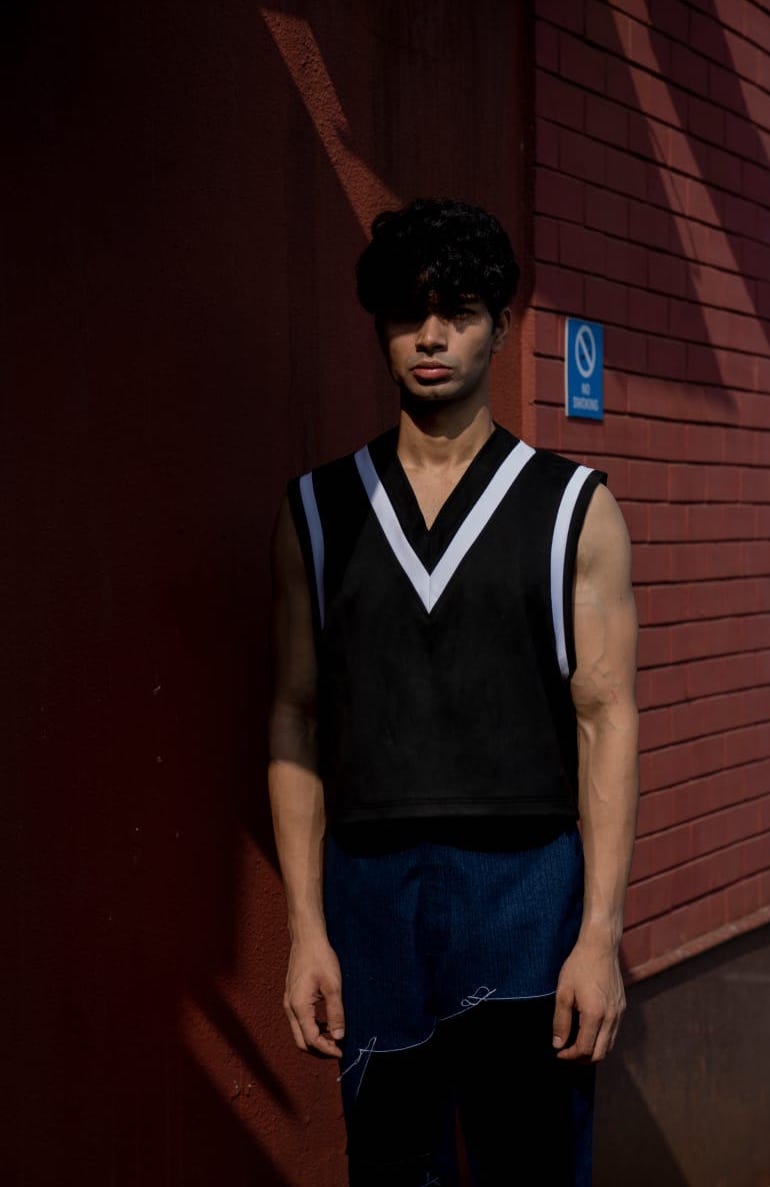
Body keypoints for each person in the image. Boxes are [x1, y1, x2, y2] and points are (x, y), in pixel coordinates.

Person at [267, 197, 639, 1186]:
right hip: (370, 887)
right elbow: (294, 716)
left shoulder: (573, 507)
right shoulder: (318, 511)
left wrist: (598, 934)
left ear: (500, 326)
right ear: (379, 326)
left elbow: (606, 719)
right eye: (408, 312)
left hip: (526, 886)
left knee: (532, 1164)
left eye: (459, 312)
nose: (431, 336)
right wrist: (306, 929)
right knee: (392, 1167)